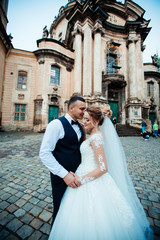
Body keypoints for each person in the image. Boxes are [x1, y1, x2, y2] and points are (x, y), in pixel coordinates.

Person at [49, 105, 153, 240]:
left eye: (87, 119)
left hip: (90, 178)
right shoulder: (93, 135)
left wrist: (82, 179)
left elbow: (103, 168)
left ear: (97, 121)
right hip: (84, 171)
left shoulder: (97, 138)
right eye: (84, 119)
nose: (84, 122)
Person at [39, 96, 86, 224]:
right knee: (60, 210)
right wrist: (64, 174)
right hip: (61, 177)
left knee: (75, 210)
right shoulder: (56, 125)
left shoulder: (81, 126)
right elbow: (44, 153)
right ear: (71, 108)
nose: (84, 111)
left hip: (79, 175)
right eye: (82, 109)